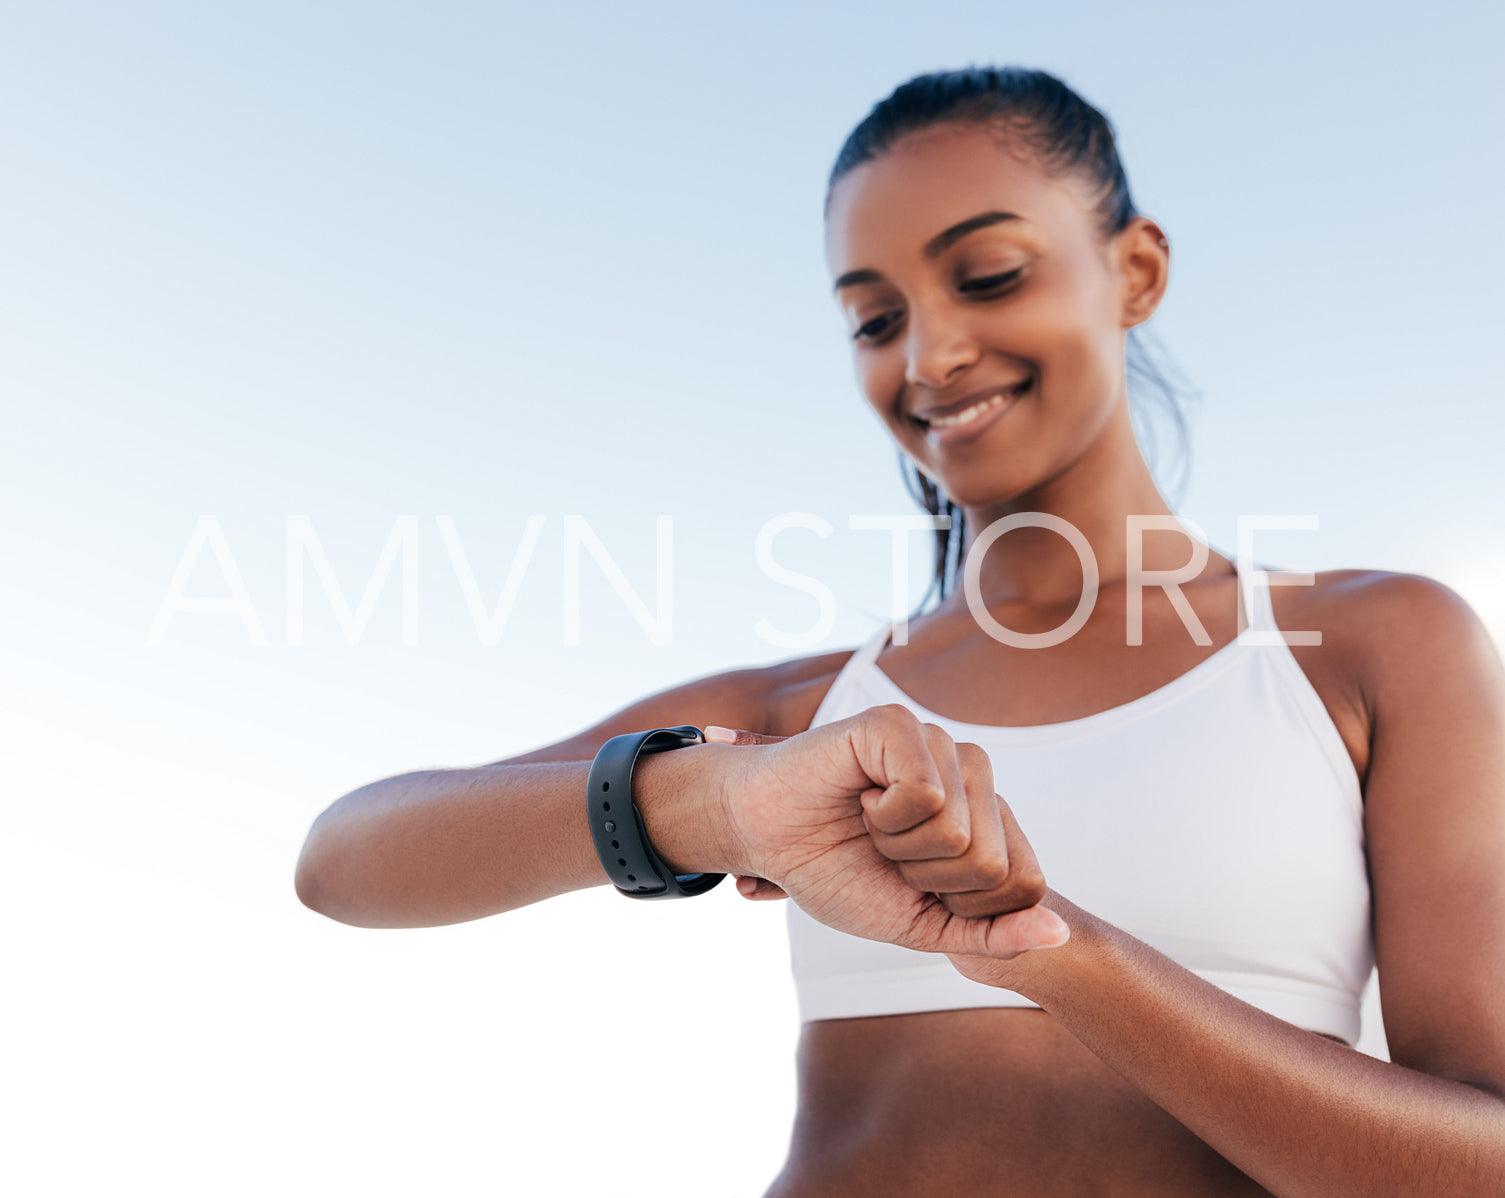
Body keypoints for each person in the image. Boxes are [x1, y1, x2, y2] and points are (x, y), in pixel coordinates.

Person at [294, 66, 1505, 1196]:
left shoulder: (1365, 646)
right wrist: (715, 803)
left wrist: (1054, 951)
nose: (930, 356)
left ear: (1132, 271)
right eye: (873, 320)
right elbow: (345, 861)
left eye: (985, 277)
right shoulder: (809, 713)